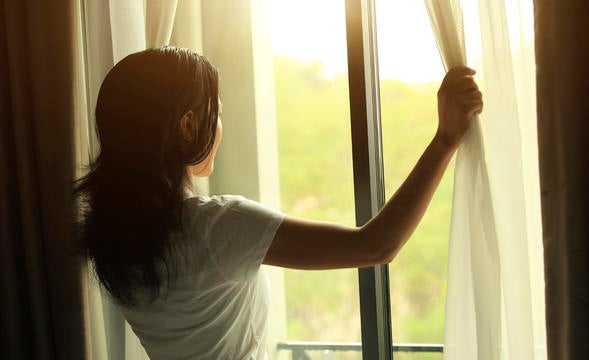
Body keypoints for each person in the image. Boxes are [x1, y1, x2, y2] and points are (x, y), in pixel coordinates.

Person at [74, 46, 482, 359]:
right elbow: (375, 245)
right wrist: (445, 140)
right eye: (215, 112)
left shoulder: (112, 237)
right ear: (187, 125)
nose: (220, 125)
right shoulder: (217, 227)